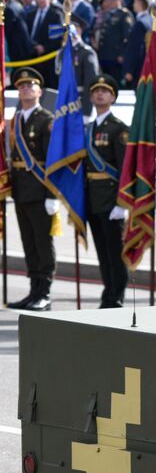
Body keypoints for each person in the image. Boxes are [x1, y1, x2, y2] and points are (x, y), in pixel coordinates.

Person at [5, 69, 56, 311]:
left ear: (39, 91)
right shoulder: (15, 120)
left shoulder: (46, 120)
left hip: (39, 190)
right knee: (29, 242)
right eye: (21, 86)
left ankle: (44, 292)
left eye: (30, 85)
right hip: (21, 191)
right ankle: (33, 290)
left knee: (42, 243)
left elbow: (53, 160)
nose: (26, 89)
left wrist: (52, 195)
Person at [84, 74, 130, 308]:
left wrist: (122, 203)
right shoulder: (88, 129)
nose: (100, 94)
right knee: (102, 251)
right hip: (92, 199)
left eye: (105, 91)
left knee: (115, 251)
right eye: (96, 90)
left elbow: (125, 169)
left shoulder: (119, 129)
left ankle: (117, 295)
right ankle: (107, 291)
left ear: (112, 97)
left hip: (111, 199)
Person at [95, 0, 133, 83]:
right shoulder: (107, 13)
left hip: (116, 56)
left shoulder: (124, 14)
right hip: (105, 55)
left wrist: (122, 54)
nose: (110, 2)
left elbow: (127, 36)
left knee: (115, 81)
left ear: (120, 0)